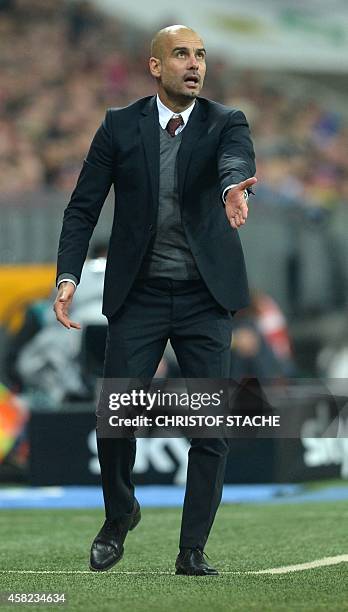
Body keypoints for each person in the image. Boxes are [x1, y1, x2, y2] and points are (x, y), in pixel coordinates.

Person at [54, 24, 257, 576]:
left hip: (204, 297)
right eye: (181, 54)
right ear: (155, 66)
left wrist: (234, 188)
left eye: (201, 55)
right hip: (138, 295)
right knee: (115, 418)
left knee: (209, 428)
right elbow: (82, 207)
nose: (194, 64)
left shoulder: (225, 122)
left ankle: (192, 548)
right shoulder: (120, 127)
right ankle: (120, 514)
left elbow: (233, 162)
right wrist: (68, 276)